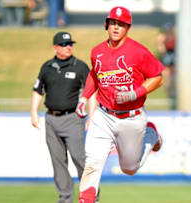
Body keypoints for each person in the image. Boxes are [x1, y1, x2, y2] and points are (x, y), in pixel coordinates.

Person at [75, 6, 164, 203]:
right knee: (92, 164)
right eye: (113, 23)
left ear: (127, 28)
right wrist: (84, 97)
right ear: (106, 25)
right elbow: (94, 75)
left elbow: (158, 78)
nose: (116, 28)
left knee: (129, 168)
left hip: (132, 118)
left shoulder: (138, 52)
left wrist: (135, 93)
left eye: (121, 25)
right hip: (103, 116)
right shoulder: (97, 52)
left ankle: (150, 134)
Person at [30, 31, 96, 203]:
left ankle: (90, 197)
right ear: (55, 47)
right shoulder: (47, 66)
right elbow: (38, 91)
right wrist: (33, 113)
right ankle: (65, 199)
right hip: (51, 119)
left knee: (80, 159)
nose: (68, 47)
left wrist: (91, 116)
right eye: (64, 44)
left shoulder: (80, 66)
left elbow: (92, 92)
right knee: (58, 163)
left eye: (70, 44)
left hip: (72, 118)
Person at [157, 22, 176, 110]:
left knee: (173, 70)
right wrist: (164, 55)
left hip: (172, 54)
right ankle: (167, 85)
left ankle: (172, 85)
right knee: (167, 71)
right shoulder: (162, 37)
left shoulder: (174, 36)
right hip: (167, 54)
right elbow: (161, 47)